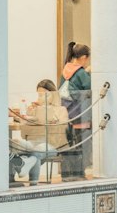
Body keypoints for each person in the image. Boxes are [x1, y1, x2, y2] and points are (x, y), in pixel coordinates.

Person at [9, 79, 69, 183]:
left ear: (53, 95)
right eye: (39, 95)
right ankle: (11, 180)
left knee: (35, 153)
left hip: (53, 145)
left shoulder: (61, 109)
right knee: (14, 144)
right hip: (34, 141)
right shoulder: (34, 109)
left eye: (45, 95)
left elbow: (62, 128)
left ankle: (32, 182)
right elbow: (24, 123)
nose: (41, 98)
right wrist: (26, 112)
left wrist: (51, 116)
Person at [59, 43, 92, 177]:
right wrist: (88, 73)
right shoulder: (81, 73)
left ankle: (69, 172)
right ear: (84, 57)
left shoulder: (65, 70)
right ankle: (80, 171)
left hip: (67, 114)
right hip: (81, 113)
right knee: (83, 143)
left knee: (71, 143)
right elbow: (90, 89)